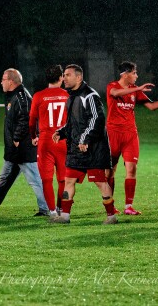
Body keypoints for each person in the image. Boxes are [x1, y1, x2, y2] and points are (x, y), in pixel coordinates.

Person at [0, 69, 49, 217]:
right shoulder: (12, 96)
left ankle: (47, 209)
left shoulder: (21, 97)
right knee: (5, 179)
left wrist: (17, 138)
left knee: (34, 180)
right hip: (14, 149)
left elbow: (26, 119)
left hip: (23, 148)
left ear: (11, 82)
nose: (1, 82)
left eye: (3, 79)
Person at [105, 61, 158, 215]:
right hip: (112, 134)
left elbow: (150, 106)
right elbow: (115, 94)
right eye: (134, 73)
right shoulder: (112, 86)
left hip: (130, 135)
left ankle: (128, 207)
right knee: (110, 172)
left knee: (131, 169)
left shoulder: (134, 90)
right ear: (126, 73)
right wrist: (139, 88)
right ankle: (110, 206)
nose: (136, 76)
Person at [50, 64, 117, 224]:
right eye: (64, 75)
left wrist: (85, 139)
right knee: (69, 181)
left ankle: (111, 217)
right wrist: (62, 132)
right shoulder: (72, 96)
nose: (64, 78)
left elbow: (97, 120)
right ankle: (65, 216)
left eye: (67, 75)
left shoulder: (90, 95)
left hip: (93, 149)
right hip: (76, 150)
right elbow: (74, 123)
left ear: (78, 77)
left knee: (100, 182)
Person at [28, 65, 70, 216]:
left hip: (46, 141)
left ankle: (52, 211)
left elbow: (32, 122)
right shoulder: (68, 95)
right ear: (61, 78)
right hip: (64, 140)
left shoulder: (39, 96)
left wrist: (34, 137)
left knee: (46, 179)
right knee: (63, 179)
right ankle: (61, 208)